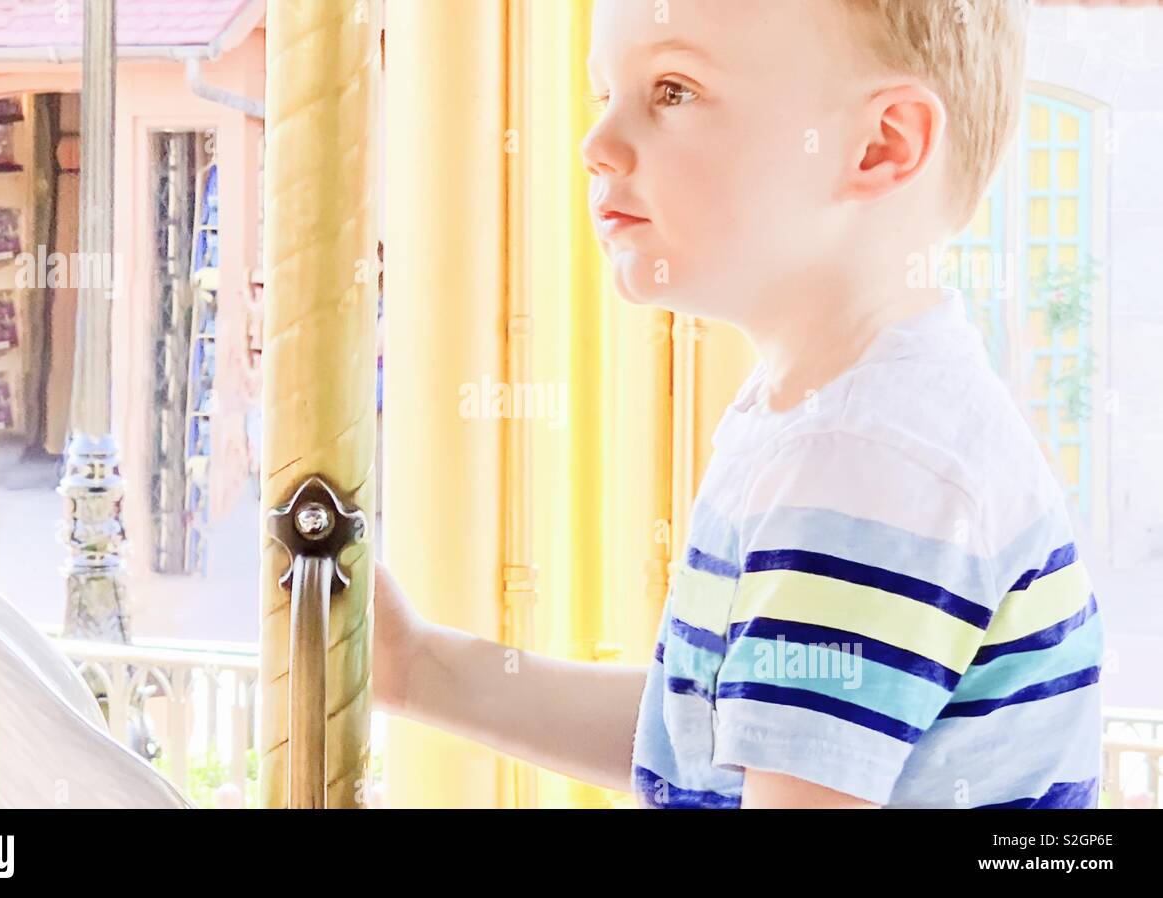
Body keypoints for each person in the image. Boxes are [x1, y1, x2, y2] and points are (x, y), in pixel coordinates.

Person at [372, 0, 1103, 809]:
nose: (597, 145)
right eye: (603, 93)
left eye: (673, 91)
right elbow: (708, 740)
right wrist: (417, 669)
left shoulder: (867, 461)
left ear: (880, 144)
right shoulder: (852, 418)